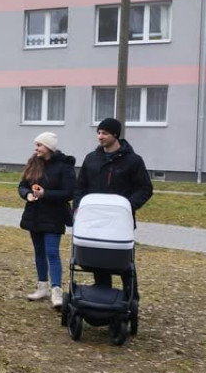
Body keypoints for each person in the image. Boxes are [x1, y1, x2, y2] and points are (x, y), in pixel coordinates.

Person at [73, 118, 153, 290]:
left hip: (120, 222)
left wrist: (126, 207)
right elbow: (80, 187)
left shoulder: (133, 161)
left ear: (115, 135)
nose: (100, 137)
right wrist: (78, 209)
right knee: (97, 258)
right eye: (99, 133)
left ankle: (130, 297)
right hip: (94, 220)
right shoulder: (92, 159)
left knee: (124, 262)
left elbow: (145, 188)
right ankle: (102, 294)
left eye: (105, 133)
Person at [18, 132, 76, 308]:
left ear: (49, 147)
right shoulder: (33, 163)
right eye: (36, 145)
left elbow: (69, 192)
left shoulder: (64, 167)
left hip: (54, 215)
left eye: (39, 145)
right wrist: (27, 194)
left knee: (52, 252)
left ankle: (56, 290)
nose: (36, 149)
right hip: (34, 215)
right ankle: (42, 286)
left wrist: (46, 194)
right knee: (39, 252)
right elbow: (22, 185)